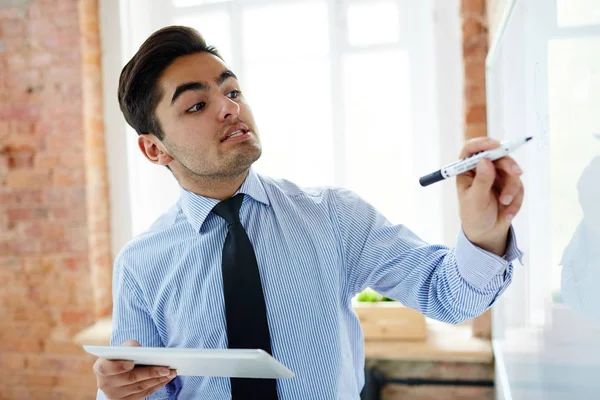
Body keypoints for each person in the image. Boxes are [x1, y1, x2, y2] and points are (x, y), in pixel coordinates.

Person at [94, 25, 524, 400]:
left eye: (232, 91)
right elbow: (145, 389)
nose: (230, 108)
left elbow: (448, 296)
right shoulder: (140, 264)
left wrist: (483, 234)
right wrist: (118, 394)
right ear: (155, 148)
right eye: (196, 105)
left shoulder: (333, 216)